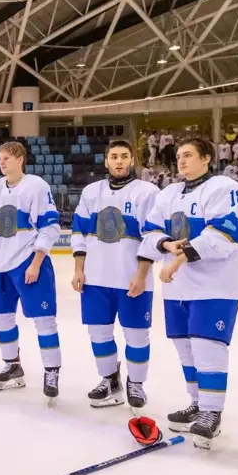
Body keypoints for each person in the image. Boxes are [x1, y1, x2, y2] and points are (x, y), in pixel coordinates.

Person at [139, 137, 238, 449]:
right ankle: (198, 403)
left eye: (188, 155)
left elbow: (224, 234)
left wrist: (177, 259)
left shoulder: (224, 188)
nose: (181, 161)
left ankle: (212, 412)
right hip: (178, 289)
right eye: (179, 156)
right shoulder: (168, 193)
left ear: (207, 158)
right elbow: (149, 232)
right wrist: (165, 243)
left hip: (214, 286)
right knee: (186, 349)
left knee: (207, 347)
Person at [71, 140, 160, 409]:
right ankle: (109, 380)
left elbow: (152, 237)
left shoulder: (148, 192)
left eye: (124, 156)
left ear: (132, 160)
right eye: (114, 156)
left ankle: (136, 383)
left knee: (137, 335)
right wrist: (78, 269)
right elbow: (79, 232)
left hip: (131, 279)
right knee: (98, 333)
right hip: (95, 279)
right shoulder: (91, 192)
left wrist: (141, 275)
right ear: (106, 160)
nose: (119, 161)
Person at [0, 141, 62, 397]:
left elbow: (50, 226)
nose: (2, 162)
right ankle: (12, 366)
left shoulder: (36, 186)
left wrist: (36, 262)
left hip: (27, 261)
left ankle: (52, 371)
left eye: (8, 158)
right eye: (0, 157)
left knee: (44, 319)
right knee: (2, 318)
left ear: (21, 159)